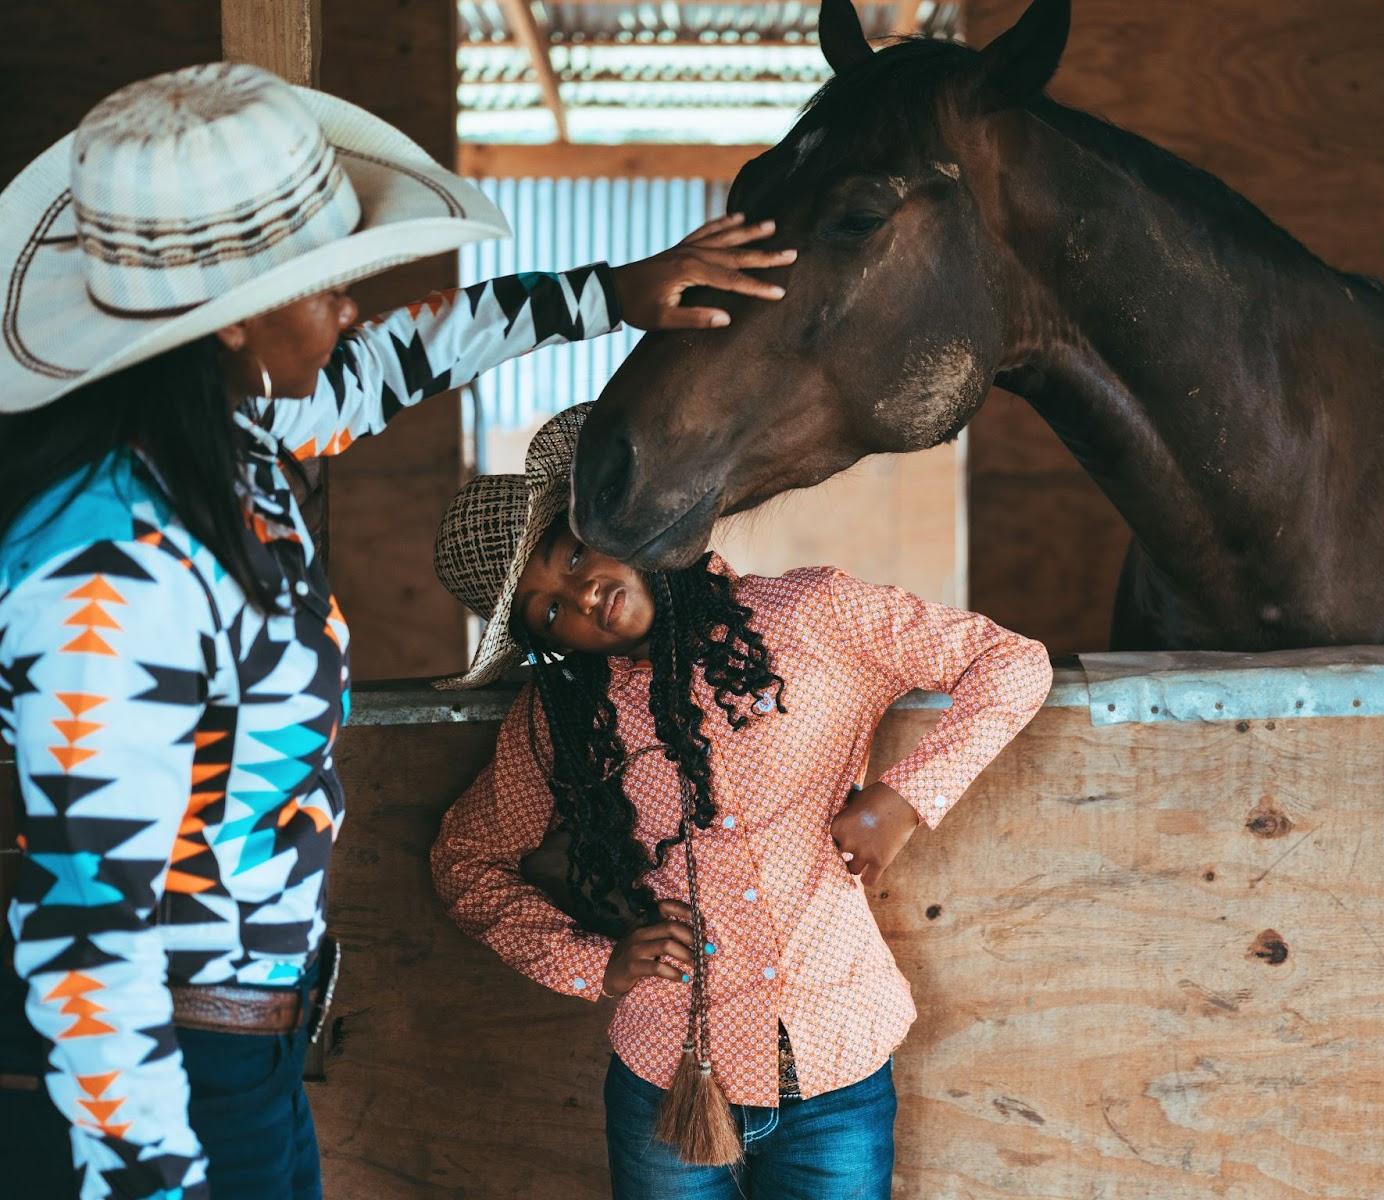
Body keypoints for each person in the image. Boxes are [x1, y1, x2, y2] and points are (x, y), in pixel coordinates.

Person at [0, 62, 792, 1200]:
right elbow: (85, 933)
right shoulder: (107, 571)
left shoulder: (234, 443)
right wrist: (150, 1174)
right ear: (233, 325)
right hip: (169, 1081)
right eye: (325, 286)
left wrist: (611, 295)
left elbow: (404, 355)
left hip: (245, 1046)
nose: (350, 310)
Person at [429, 404, 1053, 1199]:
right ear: (545, 640)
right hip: (666, 1082)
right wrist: (598, 965)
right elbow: (463, 864)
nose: (582, 597)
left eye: (570, 556)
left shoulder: (812, 615)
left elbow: (1011, 662)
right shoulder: (558, 720)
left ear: (613, 529)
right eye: (548, 610)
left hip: (838, 1072)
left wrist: (901, 800)